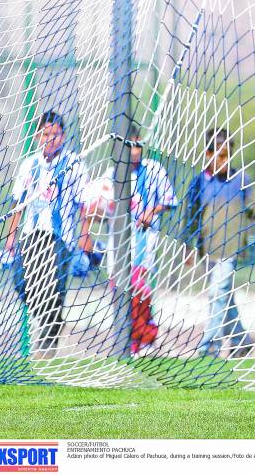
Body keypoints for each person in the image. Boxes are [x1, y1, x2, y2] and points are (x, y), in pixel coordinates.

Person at [186, 128, 255, 359]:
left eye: (227, 155)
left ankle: (210, 346)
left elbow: (253, 208)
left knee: (217, 294)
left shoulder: (240, 180)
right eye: (219, 155)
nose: (224, 161)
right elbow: (191, 218)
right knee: (224, 298)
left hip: (231, 250)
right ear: (207, 154)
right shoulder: (198, 183)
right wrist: (188, 247)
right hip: (208, 250)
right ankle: (241, 341)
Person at [4, 111, 93, 359]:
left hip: (60, 237)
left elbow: (84, 203)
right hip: (32, 235)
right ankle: (49, 318)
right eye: (45, 134)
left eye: (55, 135)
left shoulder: (74, 164)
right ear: (37, 137)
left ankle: (48, 340)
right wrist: (11, 236)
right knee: (22, 283)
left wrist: (84, 236)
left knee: (54, 287)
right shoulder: (28, 165)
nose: (50, 139)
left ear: (63, 137)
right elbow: (18, 203)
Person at [82, 125, 177, 355]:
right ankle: (127, 338)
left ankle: (145, 337)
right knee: (119, 289)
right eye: (130, 146)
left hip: (144, 237)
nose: (135, 151)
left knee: (138, 286)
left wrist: (151, 211)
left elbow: (169, 200)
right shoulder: (111, 175)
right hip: (118, 241)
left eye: (137, 145)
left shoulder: (154, 170)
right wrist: (96, 211)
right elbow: (97, 210)